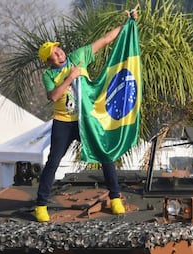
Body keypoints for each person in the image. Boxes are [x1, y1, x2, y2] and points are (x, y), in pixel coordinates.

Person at [35, 7, 138, 222]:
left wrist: (127, 23)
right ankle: (41, 205)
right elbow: (53, 97)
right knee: (53, 161)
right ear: (49, 60)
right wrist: (70, 78)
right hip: (64, 122)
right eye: (54, 53)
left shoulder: (78, 56)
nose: (59, 52)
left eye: (58, 49)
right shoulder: (48, 75)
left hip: (86, 119)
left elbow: (105, 39)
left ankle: (116, 197)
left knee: (104, 154)